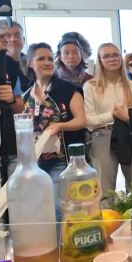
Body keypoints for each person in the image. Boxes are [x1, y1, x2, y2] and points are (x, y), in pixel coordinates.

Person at [22, 43, 87, 222]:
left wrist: (60, 126)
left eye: (50, 58)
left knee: (58, 208)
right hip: (34, 161)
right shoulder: (26, 94)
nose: (47, 62)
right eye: (41, 59)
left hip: (60, 159)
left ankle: (61, 248)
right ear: (29, 63)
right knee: (38, 209)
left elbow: (81, 120)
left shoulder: (68, 89)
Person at [83, 43, 132, 197]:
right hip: (102, 136)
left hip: (129, 134)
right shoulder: (90, 86)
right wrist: (112, 116)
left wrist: (127, 118)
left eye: (115, 55)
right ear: (100, 60)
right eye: (106, 56)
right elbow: (88, 120)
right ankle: (107, 219)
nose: (112, 59)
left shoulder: (131, 86)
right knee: (104, 190)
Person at [0, 24, 25, 197]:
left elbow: (20, 107)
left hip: (11, 146)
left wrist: (11, 98)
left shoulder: (9, 63)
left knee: (17, 203)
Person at [0, 21, 30, 92]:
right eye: (8, 36)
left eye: (17, 35)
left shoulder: (32, 62)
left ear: (24, 40)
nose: (13, 39)